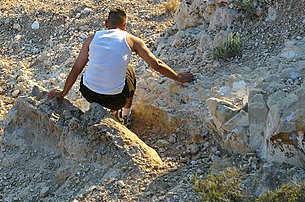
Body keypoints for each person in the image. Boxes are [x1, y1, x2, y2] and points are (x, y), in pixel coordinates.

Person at [47, 8, 195, 125]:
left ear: (106, 24)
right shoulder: (132, 40)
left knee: (93, 65)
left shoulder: (91, 39)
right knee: (129, 70)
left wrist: (63, 93)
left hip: (89, 94)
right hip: (116, 100)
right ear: (124, 26)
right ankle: (125, 114)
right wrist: (178, 77)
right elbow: (156, 64)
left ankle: (102, 109)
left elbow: (76, 68)